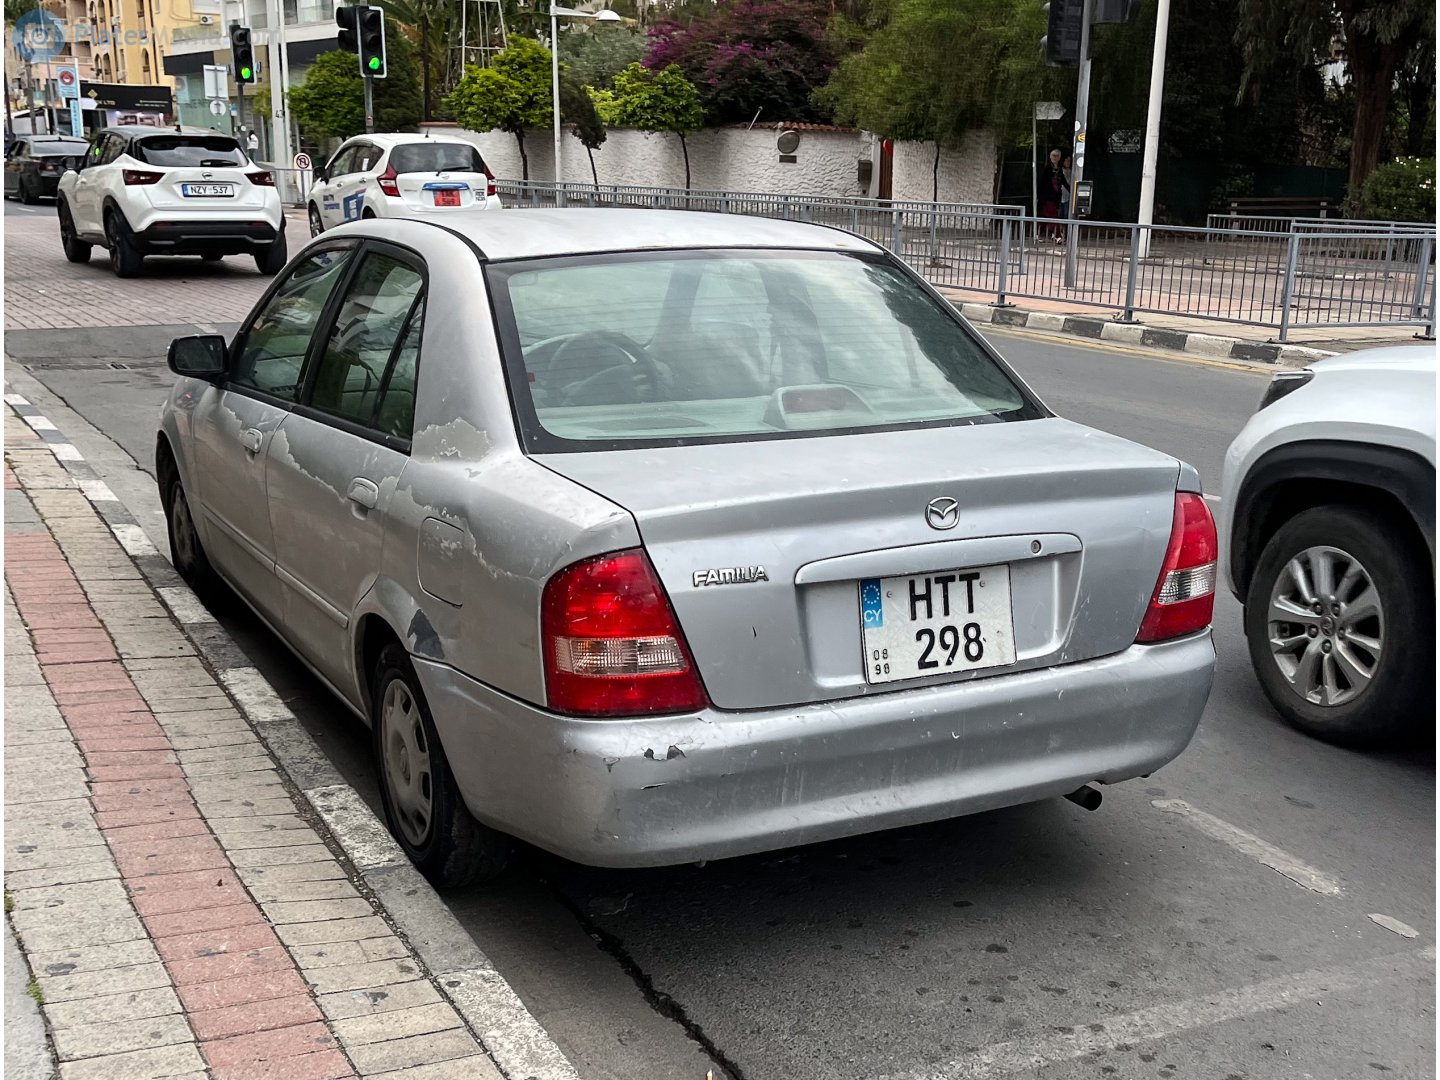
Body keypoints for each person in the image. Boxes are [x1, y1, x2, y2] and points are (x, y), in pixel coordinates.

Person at [1039, 148, 1068, 242]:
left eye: (1057, 156)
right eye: (1053, 156)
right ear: (1050, 157)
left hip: (1056, 196)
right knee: (1054, 215)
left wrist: (1071, 190)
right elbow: (1042, 182)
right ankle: (1057, 235)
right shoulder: (1047, 168)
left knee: (1046, 215)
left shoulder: (1059, 169)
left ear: (1059, 158)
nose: (1055, 158)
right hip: (1047, 197)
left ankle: (1038, 233)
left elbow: (1063, 181)